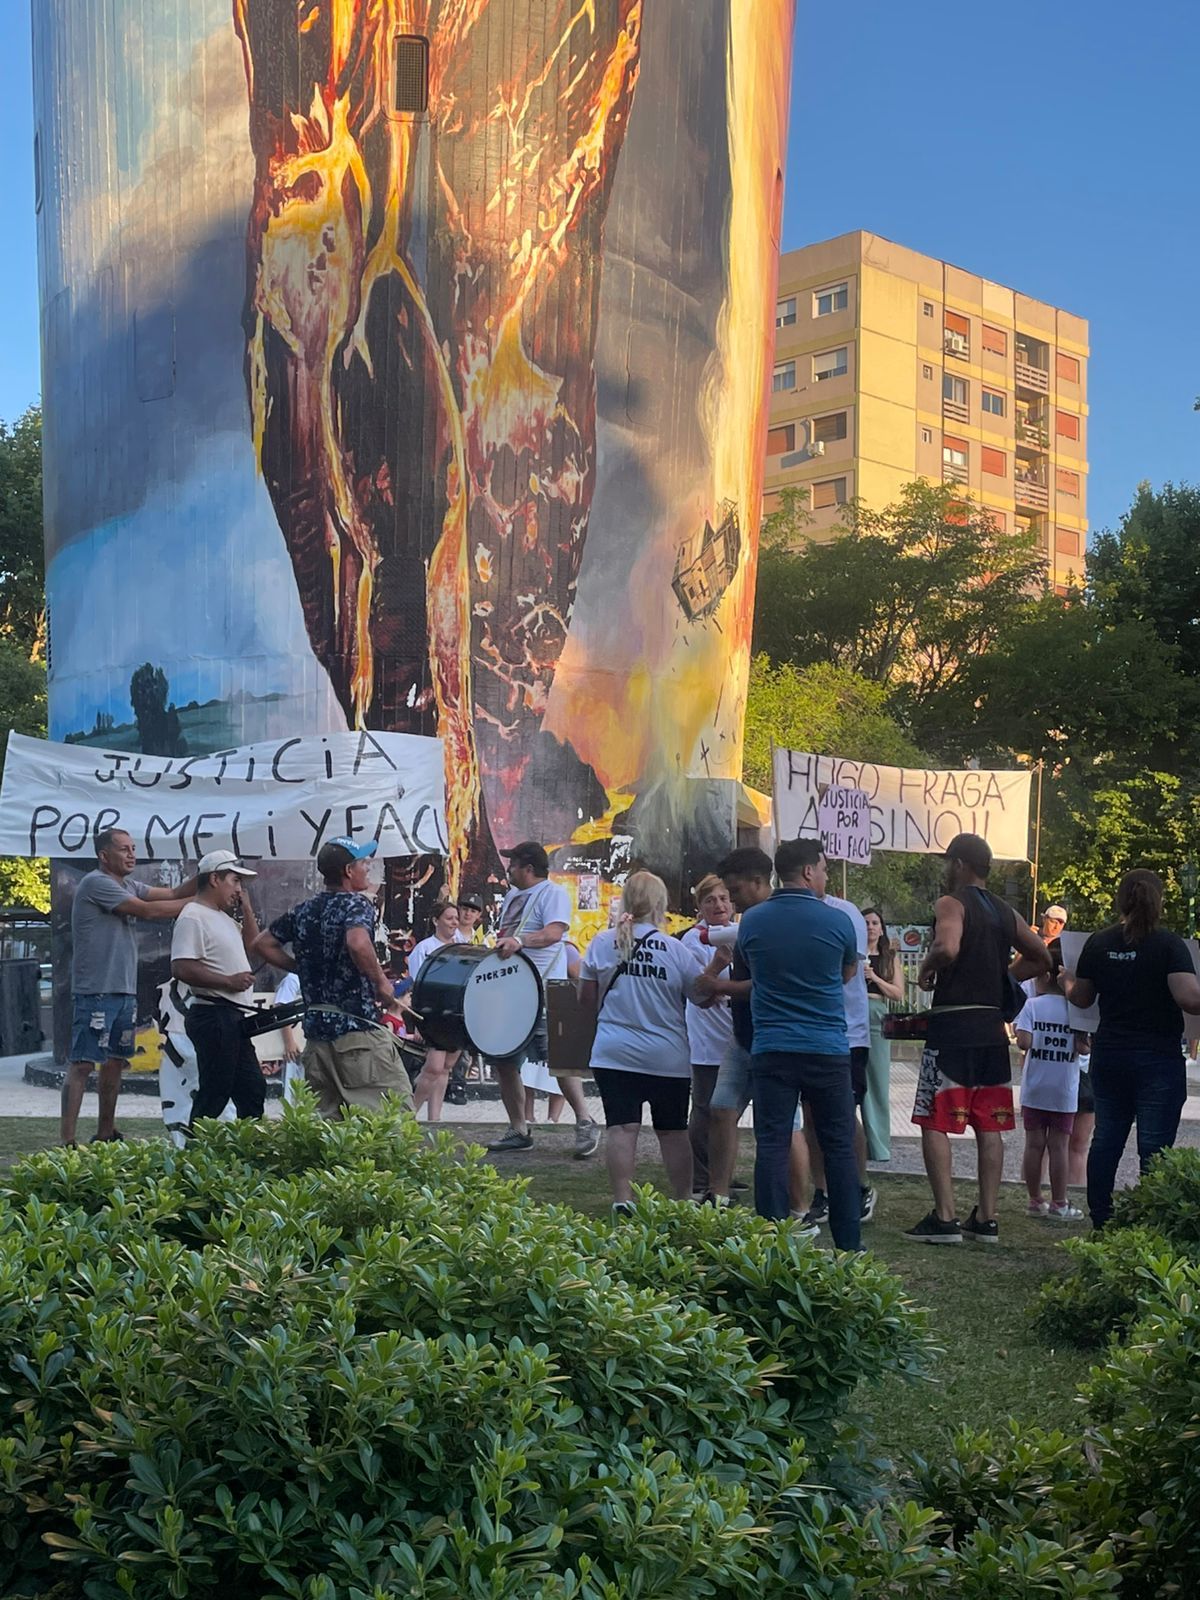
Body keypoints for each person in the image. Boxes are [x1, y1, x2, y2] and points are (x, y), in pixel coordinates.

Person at [906, 833, 1050, 1246]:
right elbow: (1041, 956)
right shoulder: (1005, 911)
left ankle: (945, 1217)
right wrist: (1003, 979)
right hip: (991, 1032)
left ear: (958, 864)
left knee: (934, 1119)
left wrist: (927, 968)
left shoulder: (952, 903)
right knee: (990, 1124)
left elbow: (947, 946)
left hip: (952, 1026)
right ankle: (987, 1218)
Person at [736, 838, 862, 1250]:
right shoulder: (838, 921)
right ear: (809, 871)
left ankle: (770, 1242)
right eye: (823, 868)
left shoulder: (753, 921)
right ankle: (848, 1243)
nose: (825, 875)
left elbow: (755, 968)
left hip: (772, 1045)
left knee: (771, 1143)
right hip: (827, 1047)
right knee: (838, 1145)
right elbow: (845, 971)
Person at [1064, 869, 1200, 1229]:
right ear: (1160, 901)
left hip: (1110, 1055)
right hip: (1158, 1059)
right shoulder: (1170, 946)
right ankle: (1150, 1224)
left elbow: (1082, 998)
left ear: (1120, 900)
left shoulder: (1100, 942)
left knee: (1106, 1139)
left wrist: (1066, 980)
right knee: (1154, 1147)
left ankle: (1102, 1220)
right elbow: (1189, 998)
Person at [253, 836, 412, 1118]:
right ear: (348, 871)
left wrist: (303, 967)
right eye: (363, 862)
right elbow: (357, 942)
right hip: (357, 1037)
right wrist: (381, 982)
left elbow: (262, 944)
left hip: (316, 1041)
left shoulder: (304, 910)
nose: (368, 867)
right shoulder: (356, 905)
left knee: (332, 1131)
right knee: (392, 1117)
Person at [693, 848, 813, 1219]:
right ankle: (719, 1195)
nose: (730, 902)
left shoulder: (771, 921)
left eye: (733, 892)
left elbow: (767, 984)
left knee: (782, 1125)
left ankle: (799, 1206)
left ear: (759, 883)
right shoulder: (751, 920)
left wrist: (718, 984)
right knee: (721, 1109)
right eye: (720, 896)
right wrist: (717, 978)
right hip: (744, 1036)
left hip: (774, 1038)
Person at [63, 827, 199, 1147]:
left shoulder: (129, 884)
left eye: (133, 848)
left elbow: (173, 893)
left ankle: (105, 1132)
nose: (132, 854)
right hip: (95, 990)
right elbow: (149, 910)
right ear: (104, 855)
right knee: (83, 1063)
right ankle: (66, 1140)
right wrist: (205, 899)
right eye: (124, 849)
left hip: (122, 990)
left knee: (114, 1063)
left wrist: (210, 872)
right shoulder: (97, 883)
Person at [579, 871, 705, 1211]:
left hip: (613, 1052)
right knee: (673, 1131)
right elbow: (701, 996)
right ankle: (683, 1199)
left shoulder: (602, 943)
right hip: (668, 1056)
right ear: (660, 904)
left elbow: (586, 1001)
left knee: (621, 1128)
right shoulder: (675, 950)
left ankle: (623, 1199)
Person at [486, 841, 601, 1159]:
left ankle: (584, 1120)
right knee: (504, 1061)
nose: (508, 868)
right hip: (512, 990)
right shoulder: (512, 896)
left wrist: (520, 941)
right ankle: (519, 1129)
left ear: (528, 868)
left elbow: (553, 934)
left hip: (546, 990)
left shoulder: (552, 894)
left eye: (513, 864)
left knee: (560, 1062)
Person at [170, 850, 275, 1125]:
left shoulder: (224, 918)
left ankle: (244, 1153)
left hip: (231, 1017)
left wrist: (247, 907)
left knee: (252, 1089)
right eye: (235, 881)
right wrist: (228, 981)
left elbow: (255, 947)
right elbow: (181, 967)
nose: (239, 889)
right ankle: (193, 1157)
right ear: (215, 878)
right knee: (215, 1093)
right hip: (213, 1014)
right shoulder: (193, 915)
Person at [800, 887, 876, 1228]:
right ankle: (823, 1191)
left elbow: (846, 969)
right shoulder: (793, 911)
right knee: (812, 1115)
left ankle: (859, 1186)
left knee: (844, 1113)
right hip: (809, 1032)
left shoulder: (845, 912)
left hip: (848, 1032)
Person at [1016, 948, 1086, 1221]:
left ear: (1045, 975)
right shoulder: (1076, 1010)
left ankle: (1035, 1200)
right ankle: (1060, 1203)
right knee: (1059, 1146)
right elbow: (1084, 1048)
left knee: (1033, 1144)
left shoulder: (1031, 1006)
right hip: (1063, 1090)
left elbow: (1023, 1042)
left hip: (1035, 1087)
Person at [679, 874, 735, 1200]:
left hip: (736, 1035)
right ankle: (701, 1178)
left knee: (728, 1113)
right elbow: (697, 990)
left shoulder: (741, 933)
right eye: (711, 900)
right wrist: (715, 966)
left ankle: (723, 1175)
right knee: (704, 1110)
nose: (719, 905)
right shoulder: (693, 940)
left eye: (724, 898)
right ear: (700, 906)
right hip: (706, 1039)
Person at [408, 901, 465, 1122]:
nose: (454, 922)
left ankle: (435, 1118)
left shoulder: (463, 945)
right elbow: (416, 987)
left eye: (456, 918)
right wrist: (419, 1022)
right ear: (436, 920)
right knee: (433, 1067)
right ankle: (409, 1113)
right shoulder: (423, 948)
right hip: (434, 1015)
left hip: (458, 1015)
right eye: (449, 917)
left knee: (446, 1067)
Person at [862, 907, 904, 1163]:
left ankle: (878, 1146)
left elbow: (898, 993)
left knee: (877, 1082)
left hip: (877, 1015)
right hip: (852, 1014)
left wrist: (874, 977)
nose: (870, 927)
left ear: (881, 927)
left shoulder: (889, 957)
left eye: (875, 922)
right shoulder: (852, 954)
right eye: (865, 922)